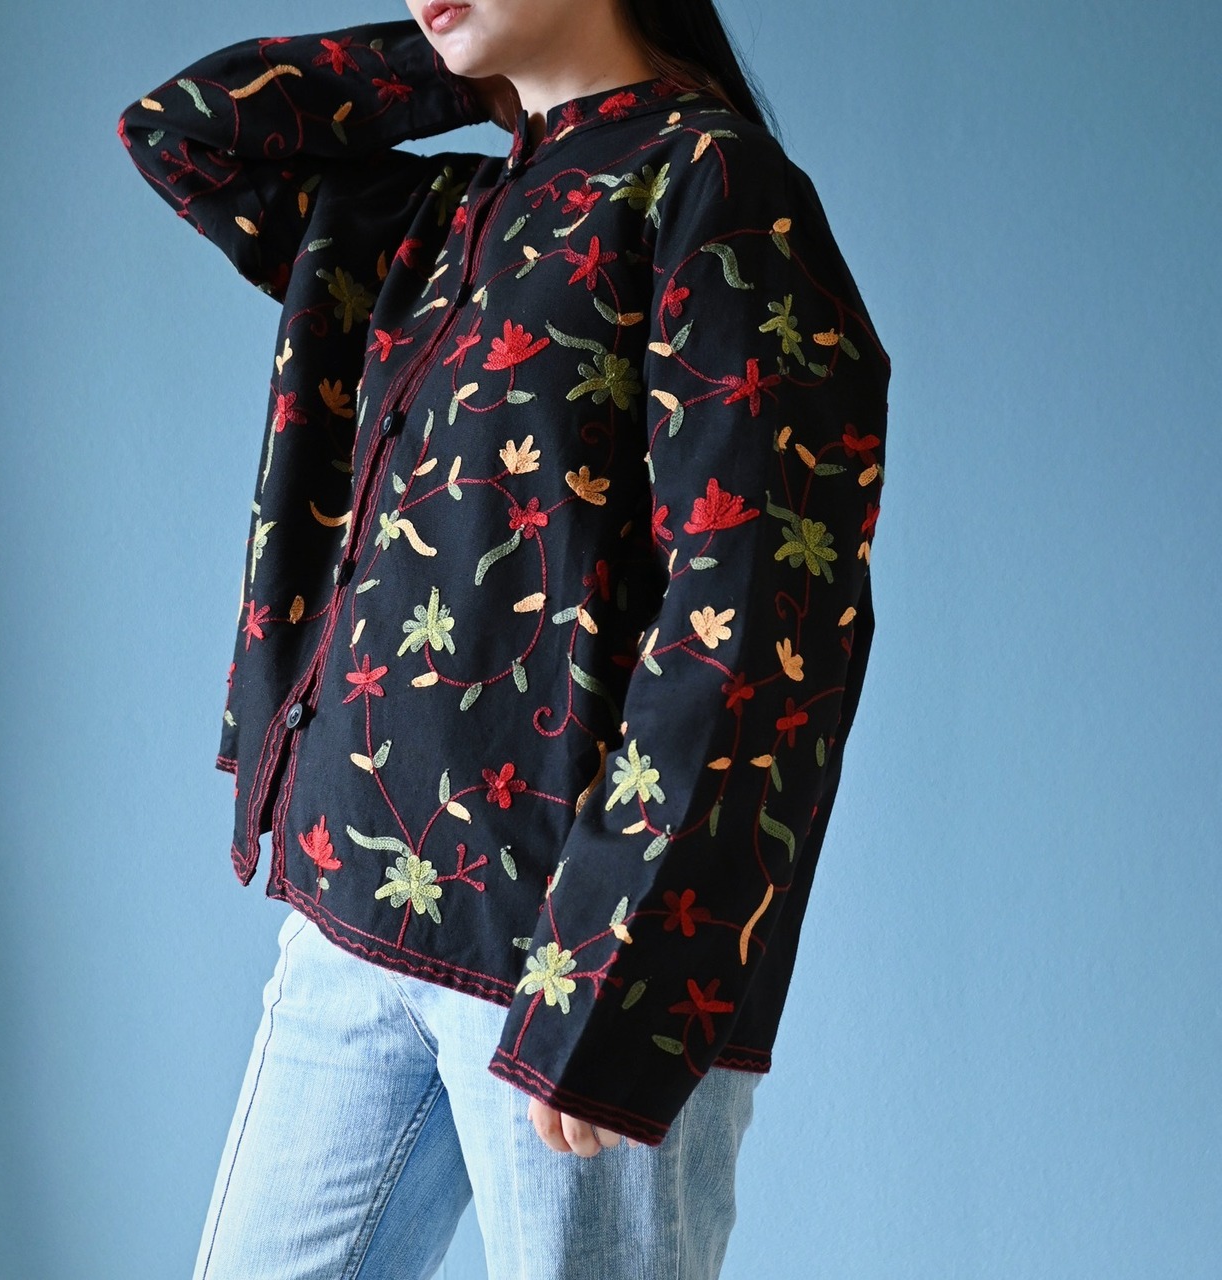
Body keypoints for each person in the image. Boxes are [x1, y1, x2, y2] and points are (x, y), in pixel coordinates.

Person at [117, 1, 889, 1275]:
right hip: (354, 904)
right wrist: (466, 63)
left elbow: (759, 614)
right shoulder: (450, 213)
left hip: (571, 950)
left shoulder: (709, 185)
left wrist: (617, 976)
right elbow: (188, 134)